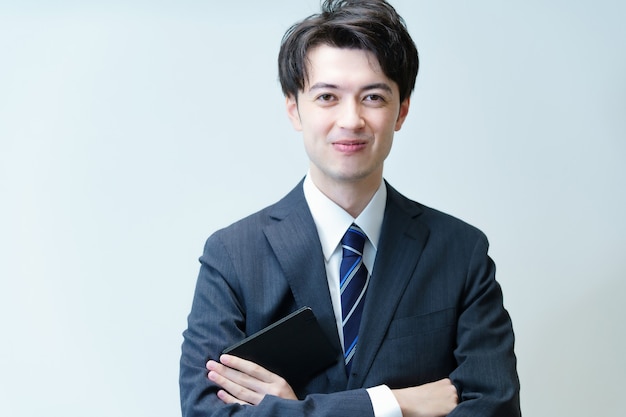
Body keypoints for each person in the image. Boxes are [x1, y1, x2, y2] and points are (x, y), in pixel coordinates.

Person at [179, 0, 521, 416]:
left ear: (402, 110)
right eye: (327, 96)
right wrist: (391, 404)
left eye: (373, 97)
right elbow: (206, 412)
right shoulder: (233, 255)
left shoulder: (460, 251)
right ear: (294, 109)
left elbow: (496, 407)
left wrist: (295, 409)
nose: (351, 119)